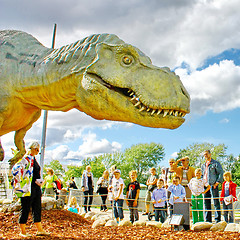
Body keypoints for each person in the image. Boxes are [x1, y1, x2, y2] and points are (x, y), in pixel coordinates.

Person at [11, 141, 50, 237]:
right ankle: (23, 231)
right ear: (32, 148)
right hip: (27, 188)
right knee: (26, 207)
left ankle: (39, 229)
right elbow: (16, 169)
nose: (37, 151)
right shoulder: (25, 159)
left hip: (36, 187)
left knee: (37, 208)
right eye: (36, 149)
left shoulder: (33, 159)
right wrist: (22, 181)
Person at [201, 150, 224, 223]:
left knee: (215, 202)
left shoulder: (215, 163)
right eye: (204, 154)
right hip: (205, 186)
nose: (205, 156)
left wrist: (217, 182)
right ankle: (208, 220)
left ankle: (217, 220)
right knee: (206, 202)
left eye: (207, 154)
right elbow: (202, 175)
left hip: (213, 185)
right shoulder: (203, 165)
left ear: (210, 154)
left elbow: (221, 173)